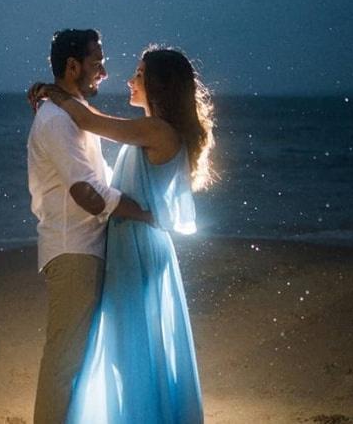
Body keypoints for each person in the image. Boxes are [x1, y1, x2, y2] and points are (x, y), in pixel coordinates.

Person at [30, 46, 215, 423]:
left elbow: (89, 121)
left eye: (140, 75)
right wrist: (59, 96)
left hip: (139, 246)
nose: (130, 80)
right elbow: (92, 118)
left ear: (159, 85)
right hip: (133, 244)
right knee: (131, 345)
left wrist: (54, 92)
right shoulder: (152, 130)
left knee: (133, 346)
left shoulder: (156, 130)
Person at [27, 29, 154, 424]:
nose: (104, 71)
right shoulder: (56, 121)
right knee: (65, 360)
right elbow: (87, 192)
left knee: (78, 358)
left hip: (85, 248)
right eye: (97, 62)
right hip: (73, 250)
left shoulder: (69, 112)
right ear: (73, 65)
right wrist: (145, 214)